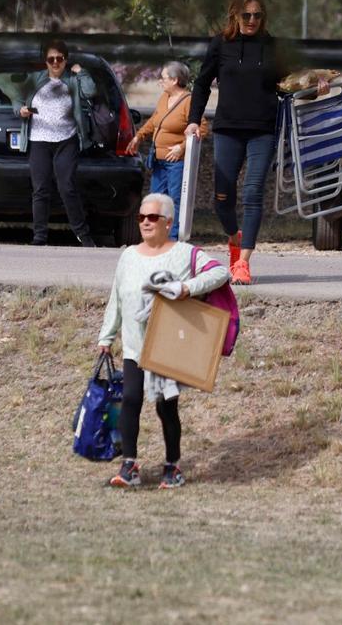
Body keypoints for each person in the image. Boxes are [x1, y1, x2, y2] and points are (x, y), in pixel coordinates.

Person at [96, 193, 229, 489]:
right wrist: (106, 336)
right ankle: (129, 466)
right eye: (141, 217)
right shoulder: (128, 255)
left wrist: (186, 287)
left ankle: (173, 467)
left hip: (168, 348)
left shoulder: (184, 253)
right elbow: (116, 298)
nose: (145, 222)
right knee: (130, 399)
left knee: (166, 408)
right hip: (134, 346)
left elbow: (221, 272)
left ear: (167, 223)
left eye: (152, 217)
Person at [185, 0, 290, 286]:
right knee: (222, 199)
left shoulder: (273, 46)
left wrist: (315, 88)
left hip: (262, 130)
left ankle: (243, 263)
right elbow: (202, 84)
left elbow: (289, 85)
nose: (252, 20)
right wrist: (194, 120)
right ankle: (234, 237)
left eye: (258, 15)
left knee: (253, 192)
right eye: (246, 15)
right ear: (234, 14)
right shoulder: (220, 44)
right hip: (228, 129)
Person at [18, 39, 97, 247]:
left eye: (59, 59)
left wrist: (82, 72)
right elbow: (17, 100)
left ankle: (83, 235)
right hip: (39, 140)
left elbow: (90, 92)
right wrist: (20, 110)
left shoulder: (73, 79)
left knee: (67, 187)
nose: (55, 63)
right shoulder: (35, 79)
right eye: (51, 59)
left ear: (66, 60)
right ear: (45, 61)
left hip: (66, 140)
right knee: (40, 189)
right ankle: (39, 237)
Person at [127, 61, 207, 240]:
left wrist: (182, 147)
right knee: (156, 199)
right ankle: (156, 236)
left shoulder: (189, 101)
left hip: (175, 162)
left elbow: (202, 128)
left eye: (163, 78)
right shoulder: (164, 97)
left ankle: (172, 238)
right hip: (158, 160)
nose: (160, 82)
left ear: (175, 80)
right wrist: (138, 137)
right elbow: (155, 120)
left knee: (174, 200)